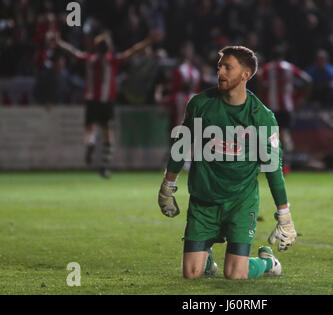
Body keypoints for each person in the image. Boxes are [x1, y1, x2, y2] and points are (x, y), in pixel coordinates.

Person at [158, 46, 298, 280]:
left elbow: (272, 167)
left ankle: (266, 262)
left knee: (235, 274)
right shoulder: (200, 104)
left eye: (227, 67)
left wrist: (284, 214)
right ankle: (207, 258)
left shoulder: (262, 116)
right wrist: (167, 187)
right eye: (219, 67)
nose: (220, 72)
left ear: (245, 74)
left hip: (240, 202)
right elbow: (180, 146)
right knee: (191, 274)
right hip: (204, 201)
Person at [57, 31, 158, 178]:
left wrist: (59, 42)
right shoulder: (112, 60)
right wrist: (148, 41)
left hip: (91, 100)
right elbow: (133, 51)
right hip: (107, 101)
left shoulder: (90, 59)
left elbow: (73, 52)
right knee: (108, 132)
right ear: (109, 47)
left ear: (96, 47)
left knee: (90, 128)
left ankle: (90, 144)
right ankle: (105, 166)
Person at [258, 49, 312, 175]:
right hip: (287, 108)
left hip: (271, 107)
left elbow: (260, 85)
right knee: (285, 135)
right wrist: (302, 98)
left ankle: (272, 164)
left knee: (270, 136)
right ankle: (286, 165)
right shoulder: (290, 67)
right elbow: (308, 80)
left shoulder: (266, 69)